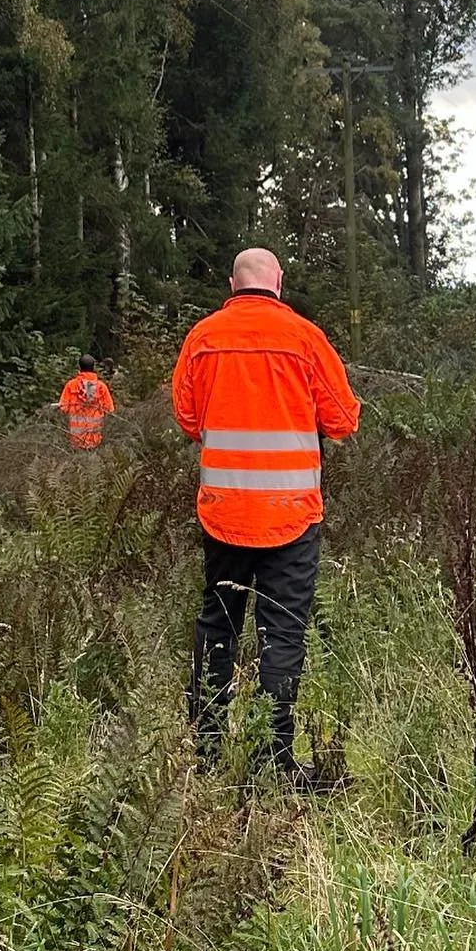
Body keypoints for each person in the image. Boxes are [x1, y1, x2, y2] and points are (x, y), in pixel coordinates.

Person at [171, 248, 359, 781]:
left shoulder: (202, 339)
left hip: (224, 513)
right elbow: (343, 419)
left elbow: (187, 418)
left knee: (218, 625)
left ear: (233, 283)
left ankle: (206, 755)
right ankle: (272, 761)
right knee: (283, 635)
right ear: (278, 281)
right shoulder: (305, 338)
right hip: (291, 516)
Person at [58, 354, 115, 449]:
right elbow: (109, 409)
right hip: (95, 439)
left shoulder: (71, 385)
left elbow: (63, 408)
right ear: (93, 368)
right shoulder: (102, 387)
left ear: (79, 367)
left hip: (76, 439)